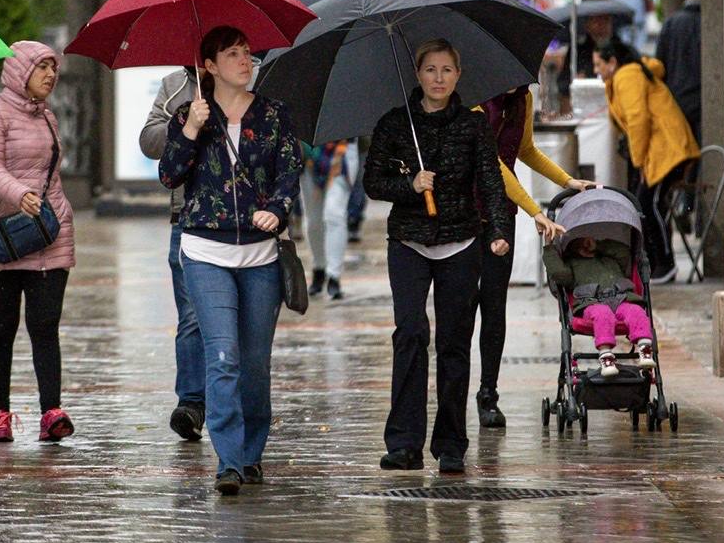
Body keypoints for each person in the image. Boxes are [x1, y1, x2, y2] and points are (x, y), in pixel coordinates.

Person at [158, 26, 301, 496]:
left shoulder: (274, 114)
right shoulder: (190, 112)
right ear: (210, 67)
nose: (245, 60)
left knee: (255, 362)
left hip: (260, 256)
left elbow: (289, 172)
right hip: (204, 252)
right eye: (233, 54)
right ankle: (229, 460)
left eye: (247, 52)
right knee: (223, 357)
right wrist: (191, 129)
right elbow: (168, 175)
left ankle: (251, 452)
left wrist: (276, 210)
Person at [364, 38, 512, 474]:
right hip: (408, 242)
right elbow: (372, 182)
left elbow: (490, 183)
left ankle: (451, 443)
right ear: (418, 74)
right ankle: (404, 442)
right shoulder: (395, 124)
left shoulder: (473, 126)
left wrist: (500, 231)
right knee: (410, 333)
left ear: (458, 75)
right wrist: (408, 188)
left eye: (447, 70)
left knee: (454, 342)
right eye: (431, 70)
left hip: (461, 243)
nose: (439, 78)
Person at [0, 41, 77, 444]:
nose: (50, 74)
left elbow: (51, 172)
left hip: (48, 233)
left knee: (45, 325)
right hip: (3, 234)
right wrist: (18, 194)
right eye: (41, 67)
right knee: (1, 327)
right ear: (18, 71)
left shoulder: (47, 115)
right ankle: (0, 413)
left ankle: (52, 412)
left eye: (53, 67)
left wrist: (58, 212)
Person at [470, 88, 595, 427]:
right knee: (462, 309)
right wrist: (534, 211)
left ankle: (488, 394)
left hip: (500, 216)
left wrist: (568, 181)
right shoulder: (475, 98)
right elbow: (491, 161)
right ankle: (451, 397)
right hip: (465, 214)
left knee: (494, 306)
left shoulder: (522, 99)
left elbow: (524, 151)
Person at [593, 41, 699, 284]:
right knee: (647, 204)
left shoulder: (627, 76)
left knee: (646, 204)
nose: (596, 70)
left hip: (668, 151)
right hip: (663, 151)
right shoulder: (622, 78)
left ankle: (664, 263)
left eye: (599, 64)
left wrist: (639, 161)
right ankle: (656, 261)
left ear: (613, 62)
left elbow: (638, 120)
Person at [140, 66, 206, 440]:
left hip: (245, 223)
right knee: (192, 316)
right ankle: (192, 403)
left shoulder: (254, 76)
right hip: (188, 215)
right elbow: (149, 142)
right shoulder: (174, 85)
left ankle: (242, 405)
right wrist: (186, 122)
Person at [542, 235, 655, 376]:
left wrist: (599, 245)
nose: (585, 245)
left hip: (620, 297)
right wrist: (548, 247)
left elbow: (624, 252)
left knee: (636, 311)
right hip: (592, 301)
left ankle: (644, 347)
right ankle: (606, 354)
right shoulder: (573, 264)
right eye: (579, 245)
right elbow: (558, 273)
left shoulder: (610, 259)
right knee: (602, 314)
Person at [300, 139, 359, 299]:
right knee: (313, 220)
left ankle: (334, 275)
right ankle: (318, 266)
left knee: (334, 215)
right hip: (308, 153)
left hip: (343, 152)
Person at [657, 0, 703, 143]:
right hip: (701, 98)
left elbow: (660, 62)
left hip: (676, 97)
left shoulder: (671, 23)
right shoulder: (708, 23)